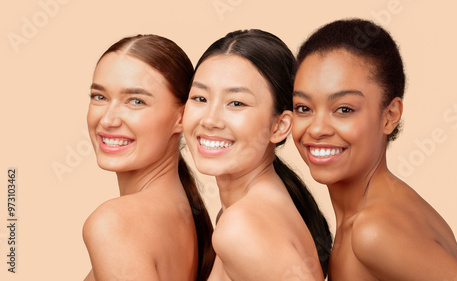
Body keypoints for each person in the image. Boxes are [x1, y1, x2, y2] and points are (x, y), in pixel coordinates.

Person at [292, 19, 457, 280]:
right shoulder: (370, 216)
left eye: (344, 109)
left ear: (390, 115)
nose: (316, 128)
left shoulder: (374, 230)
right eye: (304, 108)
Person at [182, 29, 332, 280]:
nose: (209, 119)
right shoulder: (246, 212)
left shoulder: (242, 226)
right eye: (200, 98)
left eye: (236, 103)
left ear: (280, 126)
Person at [83, 34, 215, 281]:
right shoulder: (184, 213)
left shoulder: (114, 223)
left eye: (136, 101)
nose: (108, 120)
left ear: (182, 117)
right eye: (99, 97)